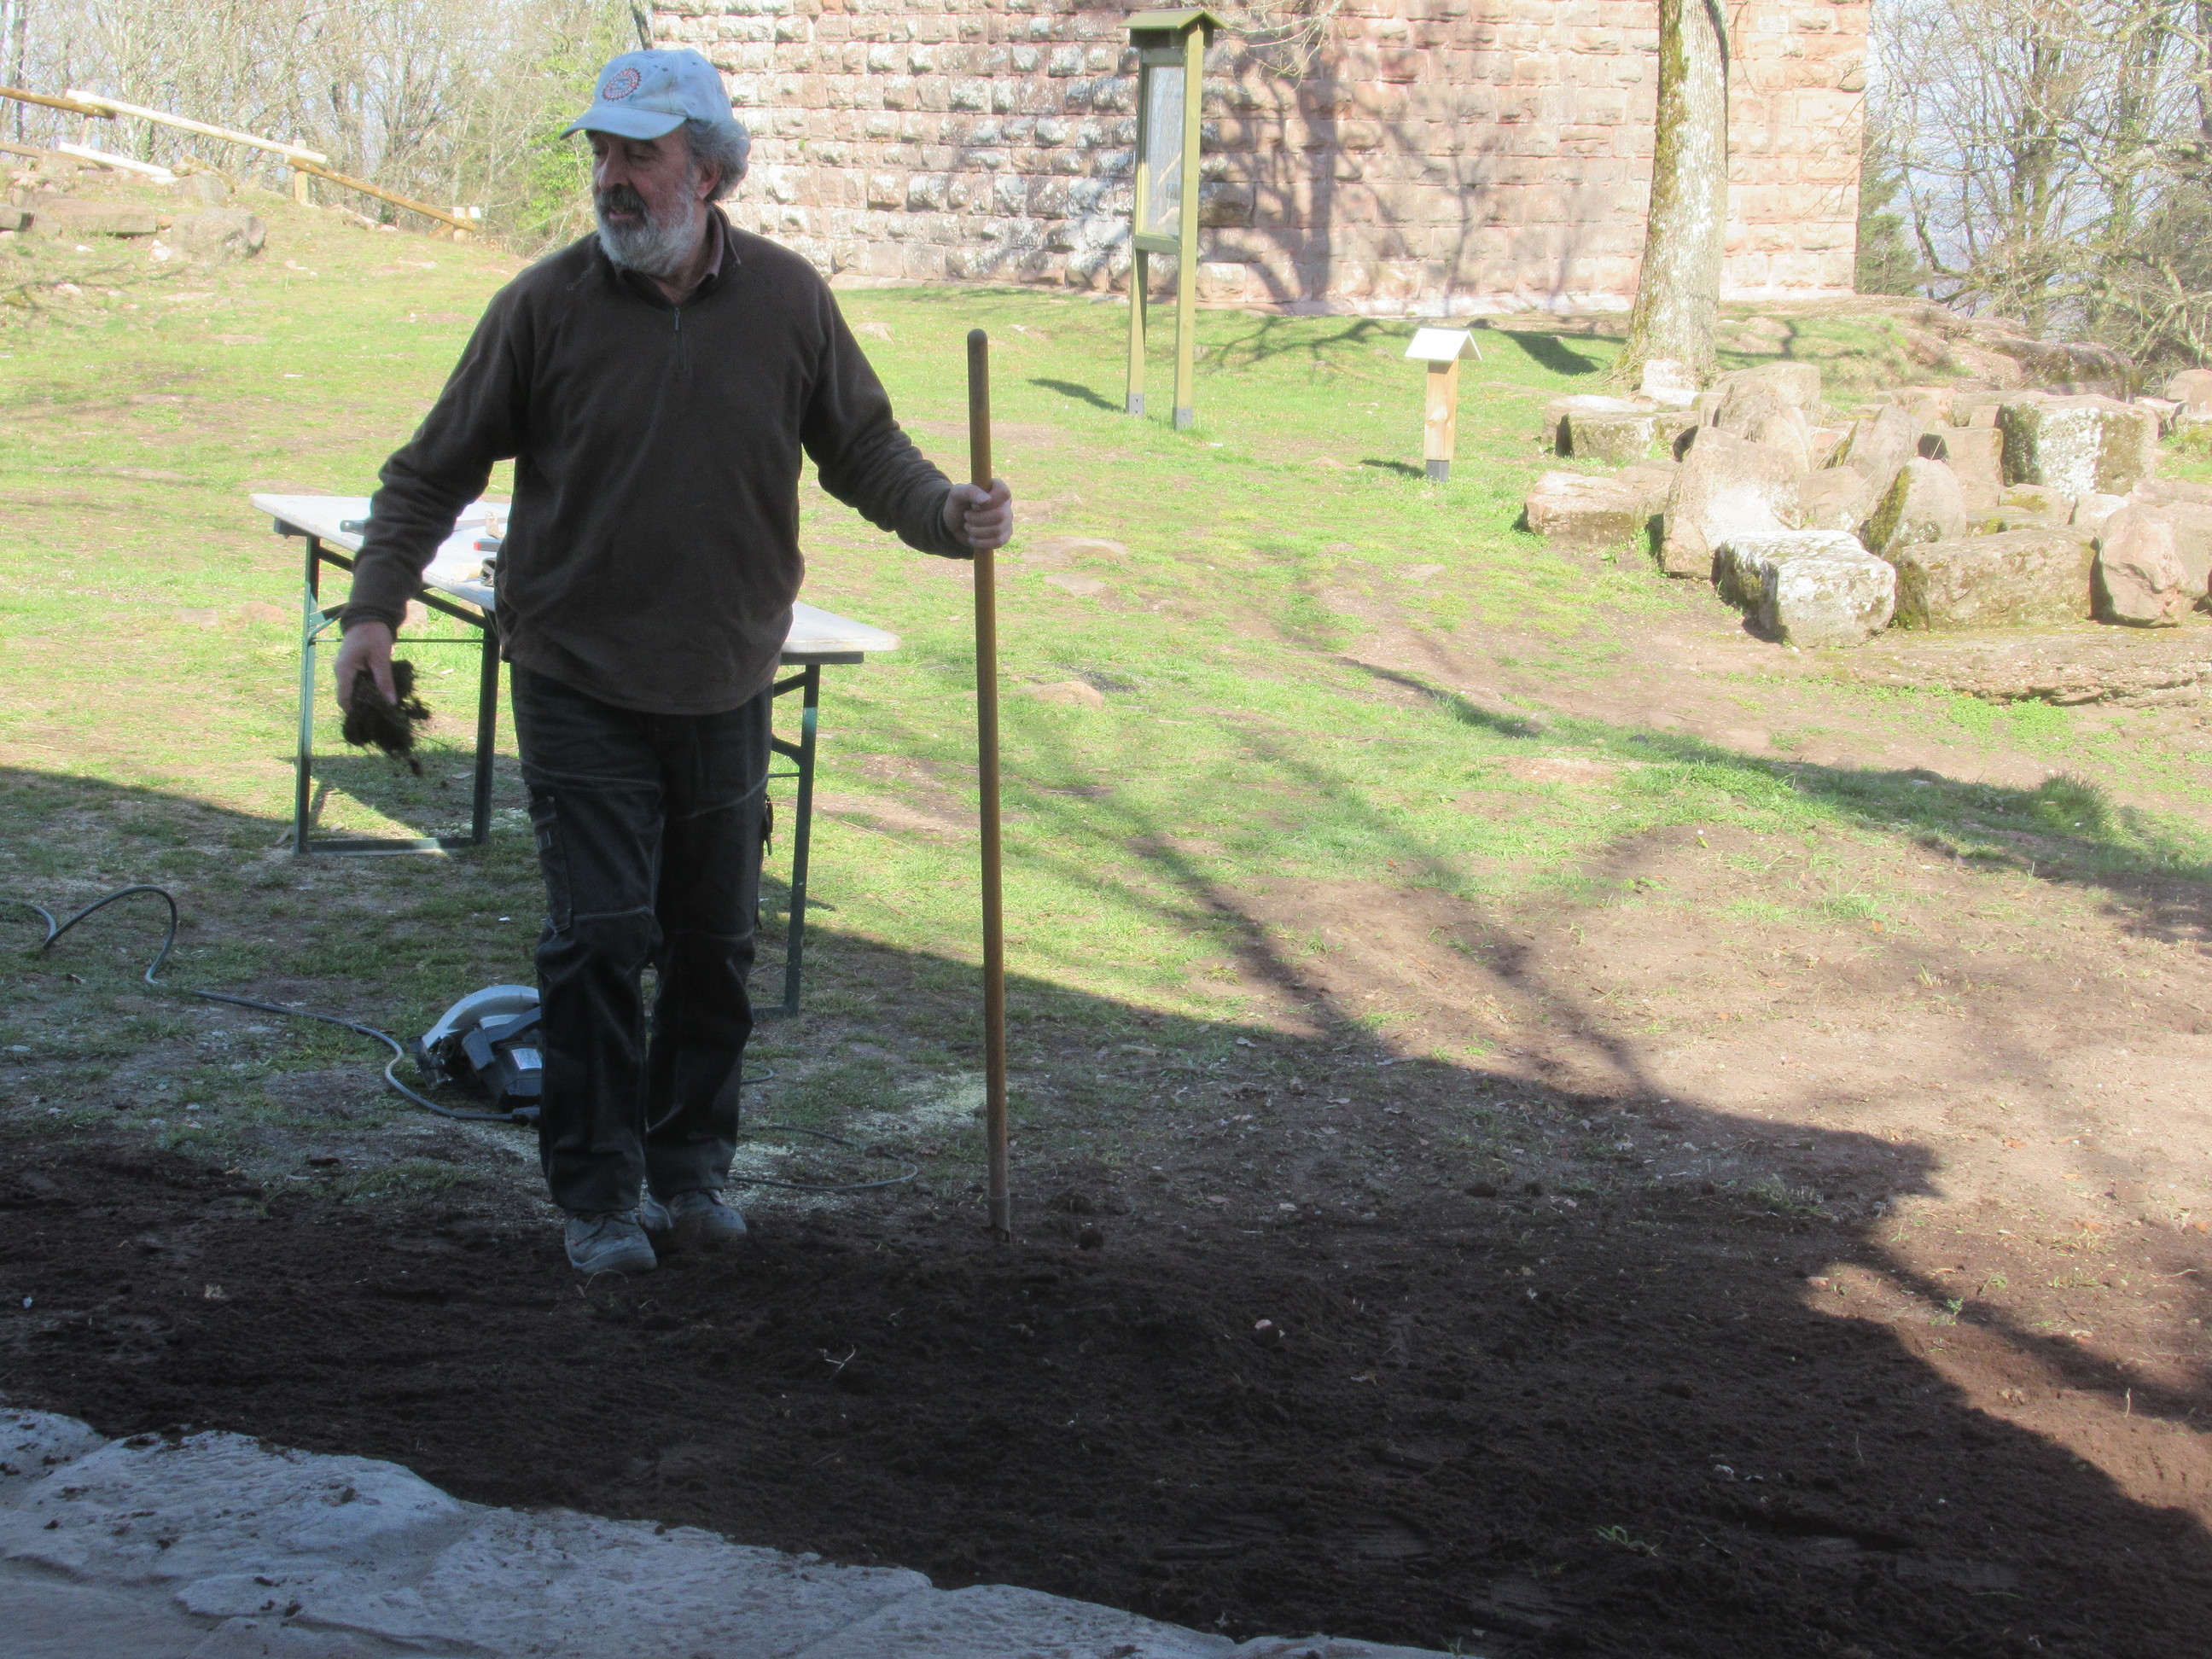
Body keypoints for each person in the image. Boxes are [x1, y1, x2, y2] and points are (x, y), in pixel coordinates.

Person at [332, 48, 1013, 1275]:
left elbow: (864, 450)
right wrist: (373, 612)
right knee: (600, 938)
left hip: (728, 676)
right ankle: (599, 1200)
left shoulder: (789, 301)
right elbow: (431, 471)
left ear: (709, 170)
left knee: (714, 944)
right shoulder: (542, 308)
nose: (613, 176)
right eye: (602, 151)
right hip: (577, 672)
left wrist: (945, 514)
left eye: (638, 154)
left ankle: (691, 1175)